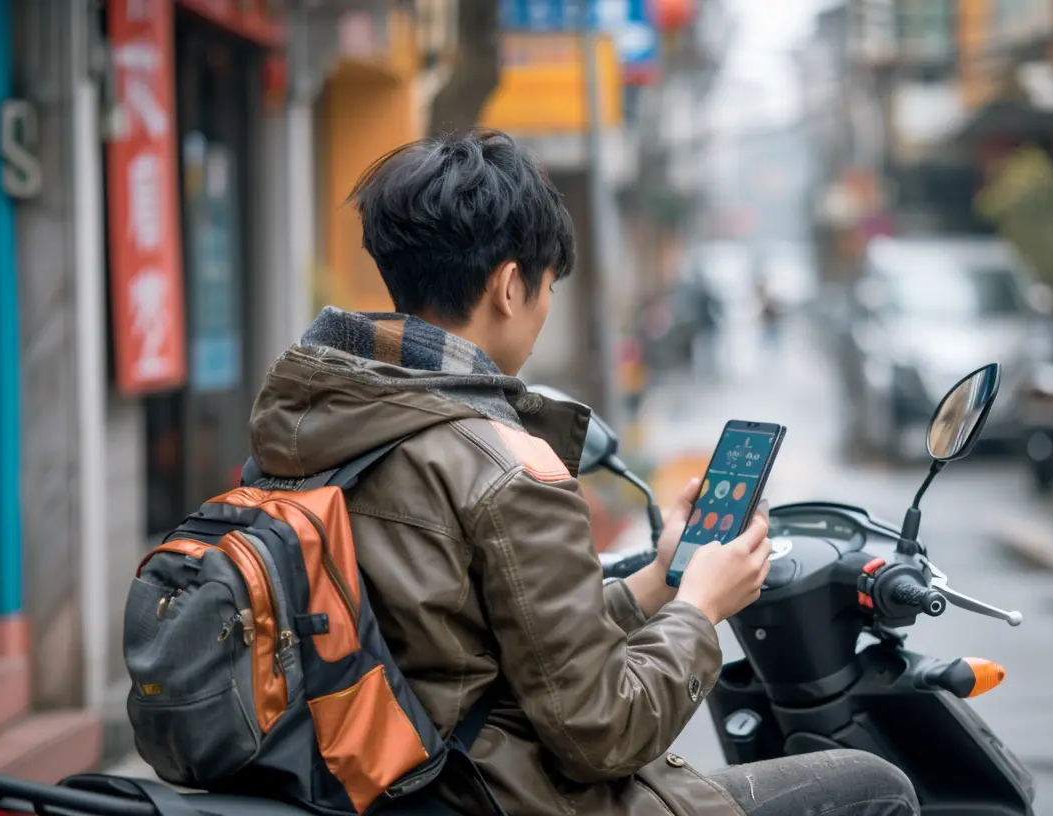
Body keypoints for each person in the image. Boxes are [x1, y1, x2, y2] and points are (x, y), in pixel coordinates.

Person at [246, 129, 919, 816]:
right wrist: (700, 609)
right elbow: (602, 733)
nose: (543, 309)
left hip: (392, 785)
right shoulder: (505, 466)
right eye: (546, 288)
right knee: (874, 787)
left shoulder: (309, 422)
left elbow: (497, 650)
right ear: (510, 287)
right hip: (509, 798)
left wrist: (659, 583)